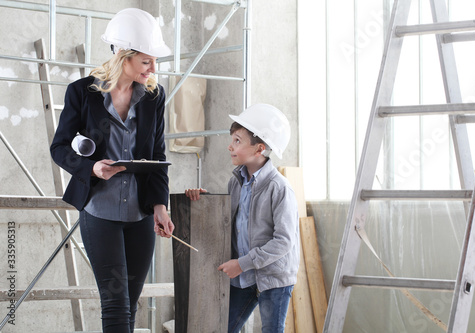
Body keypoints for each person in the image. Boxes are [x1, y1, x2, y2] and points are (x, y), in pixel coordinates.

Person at [50, 8, 174, 333]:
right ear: (123, 55)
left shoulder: (153, 97)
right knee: (116, 307)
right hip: (99, 212)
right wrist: (92, 168)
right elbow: (59, 148)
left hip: (141, 216)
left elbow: (157, 155)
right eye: (146, 61)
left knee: (129, 306)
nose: (153, 68)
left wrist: (160, 207)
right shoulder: (81, 93)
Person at [185, 104, 300, 333]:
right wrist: (209, 204)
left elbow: (284, 242)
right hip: (244, 276)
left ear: (259, 149)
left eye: (237, 141)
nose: (230, 146)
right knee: (223, 328)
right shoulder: (236, 182)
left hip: (273, 278)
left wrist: (242, 263)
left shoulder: (279, 188)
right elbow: (232, 223)